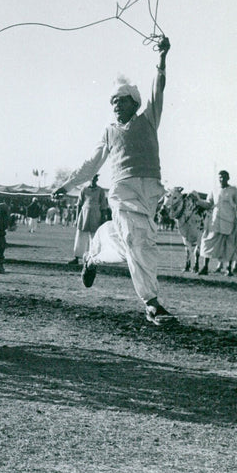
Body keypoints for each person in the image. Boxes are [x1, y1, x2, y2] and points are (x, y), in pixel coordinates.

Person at [53, 36, 173, 325]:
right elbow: (91, 163)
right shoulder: (109, 131)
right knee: (136, 241)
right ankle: (152, 304)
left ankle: (94, 254)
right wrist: (67, 185)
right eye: (113, 102)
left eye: (121, 101)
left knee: (129, 242)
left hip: (150, 193)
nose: (116, 105)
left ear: (134, 102)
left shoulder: (148, 119)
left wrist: (162, 56)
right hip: (122, 191)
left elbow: (159, 87)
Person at [198, 170, 237, 276]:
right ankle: (205, 267)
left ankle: (229, 269)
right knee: (208, 242)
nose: (222, 179)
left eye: (224, 177)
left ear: (228, 178)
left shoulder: (234, 190)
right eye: (220, 177)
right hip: (215, 222)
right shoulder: (214, 190)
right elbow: (208, 204)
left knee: (230, 246)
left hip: (229, 222)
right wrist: (197, 200)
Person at [68, 174, 108, 265]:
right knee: (81, 235)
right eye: (92, 178)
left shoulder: (100, 191)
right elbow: (79, 204)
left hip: (96, 215)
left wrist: (103, 219)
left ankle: (93, 258)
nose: (94, 179)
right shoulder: (84, 190)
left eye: (95, 178)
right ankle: (77, 257)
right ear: (89, 179)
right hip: (84, 215)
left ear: (97, 179)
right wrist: (77, 218)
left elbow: (103, 206)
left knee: (94, 237)